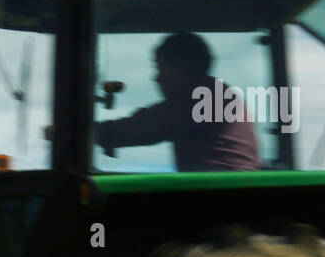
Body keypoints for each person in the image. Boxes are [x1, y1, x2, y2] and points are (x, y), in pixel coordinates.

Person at [95, 33, 261, 172]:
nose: (157, 78)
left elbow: (145, 126)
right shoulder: (215, 93)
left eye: (160, 68)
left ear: (180, 67)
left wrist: (87, 132)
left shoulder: (203, 97)